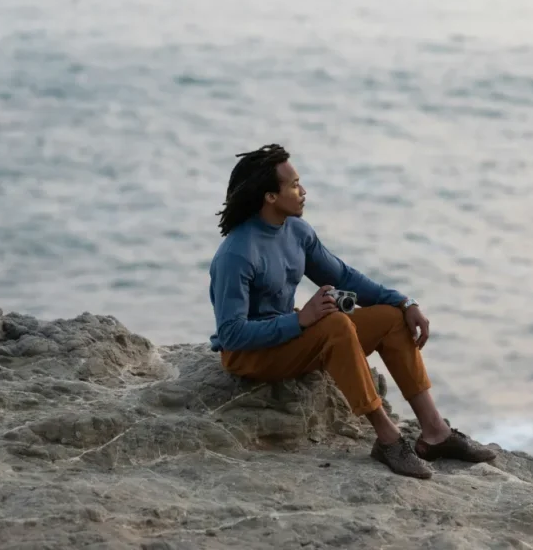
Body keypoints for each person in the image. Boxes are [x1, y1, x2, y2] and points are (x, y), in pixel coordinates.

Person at [207, 143, 496, 479]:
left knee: (391, 318)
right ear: (270, 197)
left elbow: (343, 277)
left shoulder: (297, 232)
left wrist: (405, 302)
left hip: (292, 342)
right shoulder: (236, 254)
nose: (304, 191)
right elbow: (231, 335)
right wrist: (300, 320)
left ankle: (435, 434)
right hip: (250, 357)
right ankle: (388, 440)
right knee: (336, 324)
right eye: (294, 185)